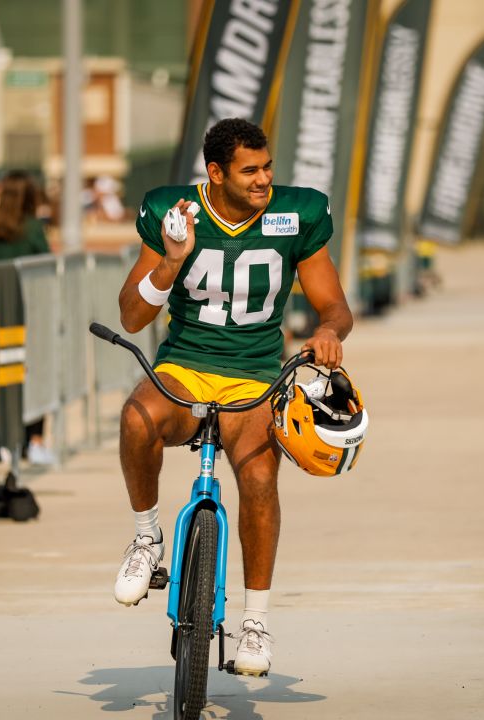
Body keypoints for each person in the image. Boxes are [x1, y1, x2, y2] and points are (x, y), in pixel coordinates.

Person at [112, 118, 353, 676]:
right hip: (186, 367)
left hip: (255, 374)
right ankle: (147, 542)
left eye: (268, 166)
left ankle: (257, 623)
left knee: (261, 481)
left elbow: (335, 306)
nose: (264, 178)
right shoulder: (177, 212)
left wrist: (328, 333)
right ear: (215, 173)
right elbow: (130, 314)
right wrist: (172, 261)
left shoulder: (298, 213)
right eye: (250, 170)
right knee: (135, 419)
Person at [0, 171, 55, 466]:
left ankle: (4, 439)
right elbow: (47, 265)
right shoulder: (33, 229)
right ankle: (34, 441)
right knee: (34, 374)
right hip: (31, 312)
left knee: (2, 374)